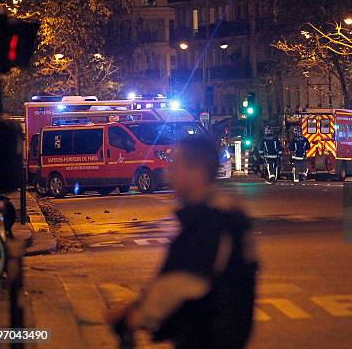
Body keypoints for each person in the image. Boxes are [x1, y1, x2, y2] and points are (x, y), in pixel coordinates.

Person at [109, 136, 258, 349]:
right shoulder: (221, 213)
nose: (170, 174)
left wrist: (134, 315)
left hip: (210, 339)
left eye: (175, 165)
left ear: (196, 171)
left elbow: (180, 282)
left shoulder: (211, 220)